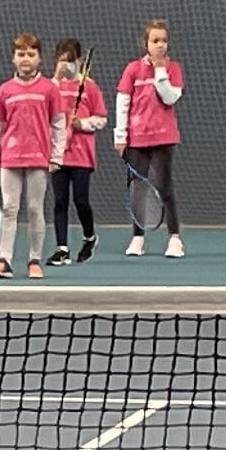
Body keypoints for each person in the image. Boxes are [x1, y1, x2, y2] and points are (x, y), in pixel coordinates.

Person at [0, 33, 61, 278]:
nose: (25, 59)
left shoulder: (49, 89)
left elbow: (59, 123)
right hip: (10, 159)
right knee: (9, 209)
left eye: (30, 54)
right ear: (13, 59)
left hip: (38, 159)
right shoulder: (5, 90)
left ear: (39, 59)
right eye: (20, 54)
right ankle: (4, 260)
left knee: (36, 209)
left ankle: (34, 260)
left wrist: (56, 156)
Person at [117, 20, 187, 258]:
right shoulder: (132, 70)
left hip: (164, 138)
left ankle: (174, 239)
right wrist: (120, 136)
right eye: (155, 40)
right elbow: (123, 102)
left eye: (163, 40)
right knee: (137, 189)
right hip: (137, 140)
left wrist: (159, 70)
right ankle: (138, 238)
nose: (160, 45)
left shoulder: (173, 69)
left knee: (165, 187)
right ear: (145, 43)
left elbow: (169, 98)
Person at [46, 37, 106, 266]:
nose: (66, 65)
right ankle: (62, 248)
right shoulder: (51, 88)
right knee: (60, 201)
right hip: (59, 154)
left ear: (79, 61)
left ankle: (89, 237)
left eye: (70, 61)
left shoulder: (89, 87)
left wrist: (83, 123)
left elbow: (101, 119)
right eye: (62, 61)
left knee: (81, 201)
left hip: (82, 155)